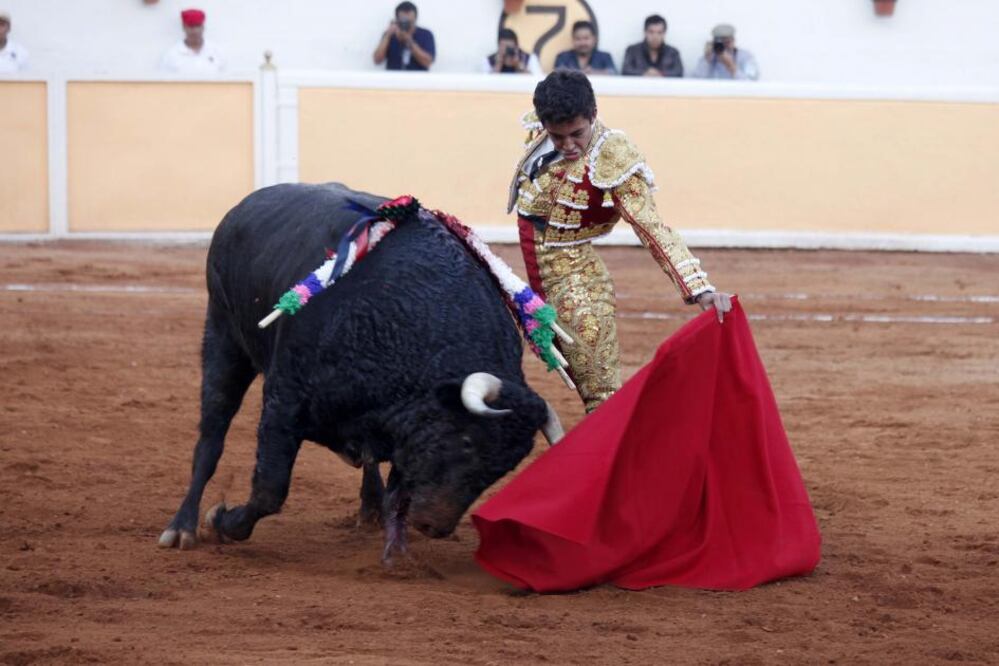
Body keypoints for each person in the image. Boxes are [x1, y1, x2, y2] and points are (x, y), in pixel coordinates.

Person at [510, 71, 732, 412]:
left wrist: (699, 288)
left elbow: (650, 227)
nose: (567, 145)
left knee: (602, 396)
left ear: (593, 114)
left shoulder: (612, 156)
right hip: (529, 274)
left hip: (576, 281)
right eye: (557, 136)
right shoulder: (543, 128)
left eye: (577, 134)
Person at [372, 1, 435, 71]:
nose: (406, 24)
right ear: (397, 20)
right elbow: (377, 60)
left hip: (418, 77)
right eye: (403, 21)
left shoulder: (426, 34)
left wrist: (409, 42)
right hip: (394, 76)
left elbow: (427, 62)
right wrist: (387, 35)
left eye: (410, 22)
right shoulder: (390, 34)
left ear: (415, 19)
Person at [160, 8, 225, 74]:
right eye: (191, 26)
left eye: (198, 26)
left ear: (203, 27)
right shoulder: (172, 55)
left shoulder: (216, 52)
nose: (195, 31)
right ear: (184, 27)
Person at [691, 24, 759, 80]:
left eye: (727, 42)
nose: (724, 47)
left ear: (733, 41)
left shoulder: (746, 57)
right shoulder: (708, 57)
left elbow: (752, 81)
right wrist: (707, 60)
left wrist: (731, 66)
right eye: (721, 44)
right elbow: (695, 80)